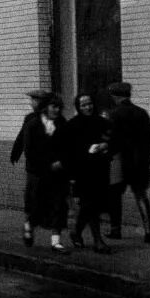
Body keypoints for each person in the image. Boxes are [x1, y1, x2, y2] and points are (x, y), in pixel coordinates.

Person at [18, 94, 70, 252]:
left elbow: (68, 145)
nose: (57, 110)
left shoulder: (62, 123)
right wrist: (47, 164)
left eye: (59, 107)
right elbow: (29, 150)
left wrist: (62, 161)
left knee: (59, 205)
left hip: (58, 173)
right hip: (38, 172)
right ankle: (28, 227)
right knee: (35, 204)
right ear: (45, 107)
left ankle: (56, 241)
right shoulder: (32, 124)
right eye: (53, 106)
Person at [106, 81, 150, 244]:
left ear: (115, 96)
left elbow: (111, 139)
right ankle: (148, 232)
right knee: (141, 195)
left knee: (114, 195)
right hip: (140, 162)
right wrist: (146, 156)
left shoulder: (113, 114)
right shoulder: (142, 113)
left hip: (120, 162)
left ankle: (115, 230)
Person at [64, 93, 112, 252]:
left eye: (90, 103)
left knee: (89, 206)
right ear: (78, 107)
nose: (88, 107)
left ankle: (76, 232)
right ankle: (98, 241)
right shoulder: (72, 125)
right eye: (83, 105)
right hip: (82, 172)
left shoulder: (102, 122)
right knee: (92, 205)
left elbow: (114, 140)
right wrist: (70, 176)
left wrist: (105, 146)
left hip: (100, 169)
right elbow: (69, 152)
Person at [10, 89, 51, 237]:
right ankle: (34, 219)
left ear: (40, 102)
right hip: (35, 164)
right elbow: (22, 136)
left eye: (33, 100)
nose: (31, 103)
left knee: (43, 191)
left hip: (44, 163)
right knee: (33, 192)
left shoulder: (49, 118)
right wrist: (16, 152)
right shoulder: (30, 118)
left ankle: (42, 218)